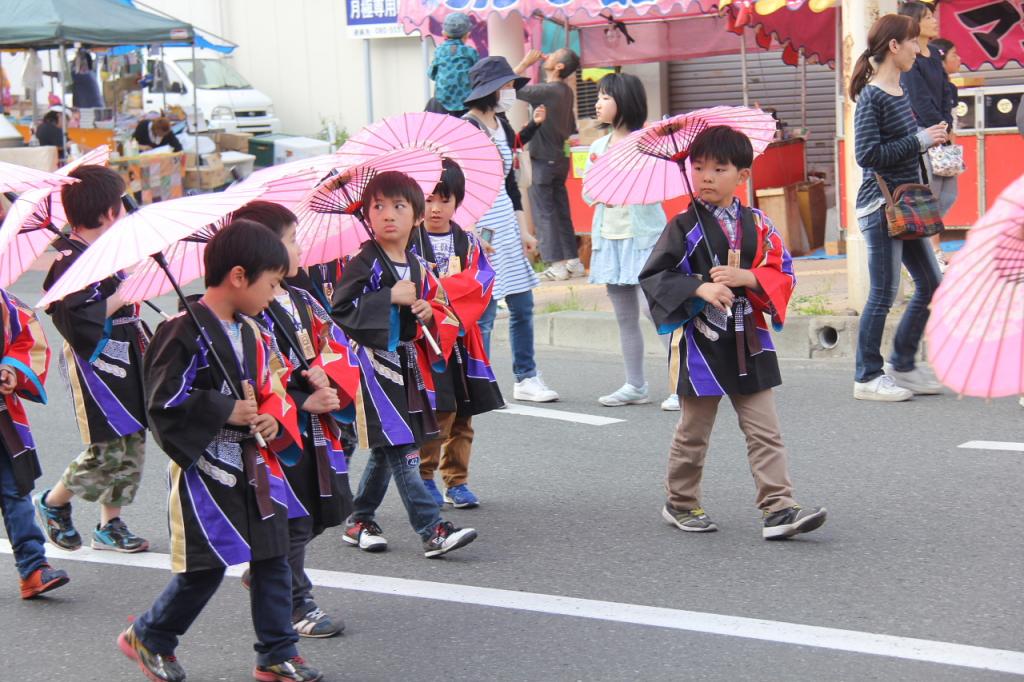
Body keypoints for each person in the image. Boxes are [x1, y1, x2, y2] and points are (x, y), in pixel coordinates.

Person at [119, 219, 323, 682]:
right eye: (270, 284)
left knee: (273, 555)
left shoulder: (252, 331)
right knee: (206, 566)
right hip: (206, 471)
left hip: (255, 463)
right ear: (237, 276)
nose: (273, 295)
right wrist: (222, 408)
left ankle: (276, 651)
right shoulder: (179, 331)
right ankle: (150, 636)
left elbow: (270, 388)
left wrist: (273, 415)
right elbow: (162, 402)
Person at [640, 125, 827, 540]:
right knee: (693, 431)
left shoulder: (759, 223)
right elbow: (654, 276)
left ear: (743, 175)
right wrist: (699, 287)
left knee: (765, 429)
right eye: (698, 166)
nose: (705, 176)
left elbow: (783, 271)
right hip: (702, 344)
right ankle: (681, 502)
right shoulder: (682, 226)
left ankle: (778, 507)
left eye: (718, 168)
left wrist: (748, 276)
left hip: (750, 340)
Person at [332, 171, 478, 559]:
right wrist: (387, 296)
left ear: (416, 216)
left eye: (398, 206)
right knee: (402, 448)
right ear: (366, 213)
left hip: (407, 366)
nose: (387, 215)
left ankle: (360, 518)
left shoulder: (416, 264)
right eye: (377, 206)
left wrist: (425, 310)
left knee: (390, 447)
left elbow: (434, 311)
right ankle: (432, 529)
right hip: (373, 369)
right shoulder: (365, 260)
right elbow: (340, 311)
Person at [233, 201, 356, 639]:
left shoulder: (301, 298)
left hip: (317, 425)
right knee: (295, 519)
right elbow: (252, 373)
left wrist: (328, 374)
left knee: (328, 507)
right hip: (277, 430)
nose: (298, 247)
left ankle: (270, 568)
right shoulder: (247, 309)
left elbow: (334, 343)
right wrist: (302, 400)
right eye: (290, 239)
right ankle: (295, 601)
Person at [35, 166, 150, 554]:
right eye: (118, 203)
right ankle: (54, 501)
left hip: (126, 350)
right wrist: (125, 293)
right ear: (105, 211)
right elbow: (78, 318)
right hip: (96, 359)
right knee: (106, 445)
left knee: (132, 438)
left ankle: (110, 523)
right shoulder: (69, 260)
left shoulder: (100, 252)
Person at [850, 13, 947, 402]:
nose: (917, 49)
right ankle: (867, 376)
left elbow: (903, 147)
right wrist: (920, 140)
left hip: (906, 204)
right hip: (881, 206)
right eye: (912, 42)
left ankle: (902, 364)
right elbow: (867, 155)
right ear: (894, 46)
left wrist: (928, 144)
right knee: (884, 293)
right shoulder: (872, 96)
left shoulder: (899, 91)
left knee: (931, 284)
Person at [464, 56, 560, 403]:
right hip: (481, 226)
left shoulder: (501, 125)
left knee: (522, 304)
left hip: (505, 220)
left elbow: (509, 185)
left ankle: (526, 376)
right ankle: (480, 379)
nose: (510, 92)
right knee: (485, 308)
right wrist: (472, 232)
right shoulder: (468, 129)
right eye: (505, 86)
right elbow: (463, 190)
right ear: (488, 90)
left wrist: (524, 230)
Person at [409, 159, 504, 509]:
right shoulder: (408, 242)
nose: (435, 208)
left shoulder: (468, 242)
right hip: (426, 342)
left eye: (444, 200)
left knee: (464, 412)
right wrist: (438, 295)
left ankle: (457, 480)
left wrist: (440, 291)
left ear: (457, 202)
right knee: (437, 410)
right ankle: (425, 475)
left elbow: (482, 281)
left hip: (462, 338)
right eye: (429, 199)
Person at [584, 73, 675, 411]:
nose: (598, 103)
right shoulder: (596, 147)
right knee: (624, 316)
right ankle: (635, 384)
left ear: (625, 101)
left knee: (654, 311)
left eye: (605, 96)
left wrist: (626, 185)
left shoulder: (646, 143)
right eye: (599, 96)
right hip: (609, 240)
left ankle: (683, 382)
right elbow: (587, 191)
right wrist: (601, 193)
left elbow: (659, 188)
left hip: (644, 240)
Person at [0, 289, 70, 599]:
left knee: (15, 489)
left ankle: (32, 568)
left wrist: (10, 368)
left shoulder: (5, 301)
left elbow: (27, 336)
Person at [515, 48, 583, 281]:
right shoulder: (565, 91)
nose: (548, 55)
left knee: (544, 212)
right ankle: (573, 261)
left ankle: (557, 264)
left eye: (554, 55)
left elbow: (509, 88)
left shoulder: (548, 90)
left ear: (559, 67)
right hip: (559, 158)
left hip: (543, 159)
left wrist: (525, 63)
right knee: (561, 211)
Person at [898, 1, 955, 270]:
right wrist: (936, 126)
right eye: (928, 17)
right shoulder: (910, 55)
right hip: (922, 131)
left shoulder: (933, 52)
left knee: (947, 193)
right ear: (914, 22)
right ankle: (931, 253)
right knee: (928, 191)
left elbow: (946, 90)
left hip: (941, 131)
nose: (934, 20)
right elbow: (917, 97)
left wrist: (947, 123)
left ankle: (926, 244)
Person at [427, 12, 479, 117]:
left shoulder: (440, 51)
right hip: (467, 103)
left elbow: (431, 74)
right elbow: (478, 75)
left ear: (444, 33)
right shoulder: (471, 52)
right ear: (467, 34)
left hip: (442, 103)